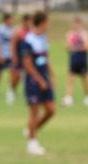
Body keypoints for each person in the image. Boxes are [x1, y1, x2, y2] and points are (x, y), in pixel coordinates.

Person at [22, 11, 55, 156]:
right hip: (33, 81)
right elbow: (28, 64)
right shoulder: (28, 40)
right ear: (42, 23)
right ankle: (32, 144)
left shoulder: (44, 38)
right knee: (34, 112)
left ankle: (30, 130)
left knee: (51, 110)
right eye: (48, 22)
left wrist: (51, 76)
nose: (49, 25)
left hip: (44, 78)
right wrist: (39, 80)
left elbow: (45, 59)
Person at [61, 16, 88, 107]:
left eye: (77, 24)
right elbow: (67, 47)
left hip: (82, 58)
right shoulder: (70, 34)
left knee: (85, 78)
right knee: (70, 78)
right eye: (74, 24)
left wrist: (75, 48)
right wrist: (73, 47)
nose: (76, 25)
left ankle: (86, 97)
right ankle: (69, 98)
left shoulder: (84, 34)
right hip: (73, 58)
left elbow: (86, 46)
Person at [0, 13, 15, 104]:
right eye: (11, 19)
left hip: (9, 55)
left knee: (12, 72)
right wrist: (0, 55)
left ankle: (11, 90)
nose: (12, 21)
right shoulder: (0, 29)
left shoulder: (12, 29)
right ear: (6, 20)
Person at [9, 14, 31, 104]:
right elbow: (13, 44)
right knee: (16, 76)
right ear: (24, 21)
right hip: (19, 57)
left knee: (28, 77)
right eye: (29, 21)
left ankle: (28, 95)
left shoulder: (32, 31)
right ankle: (12, 90)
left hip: (28, 58)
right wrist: (14, 56)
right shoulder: (18, 31)